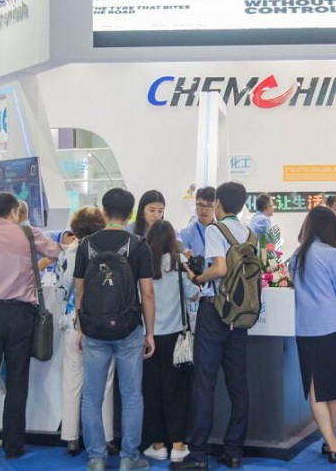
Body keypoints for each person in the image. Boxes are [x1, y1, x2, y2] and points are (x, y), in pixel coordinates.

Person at [0, 192, 62, 467]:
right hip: (20, 314)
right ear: (15, 211)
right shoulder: (27, 235)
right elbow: (56, 252)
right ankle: (13, 446)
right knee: (17, 380)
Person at [172, 181, 253, 471]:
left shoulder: (215, 230)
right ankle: (234, 451)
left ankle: (198, 455)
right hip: (240, 315)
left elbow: (220, 269)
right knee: (238, 383)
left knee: (204, 382)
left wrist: (197, 278)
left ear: (218, 203)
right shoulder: (250, 233)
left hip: (214, 310)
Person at [74, 187, 156, 471]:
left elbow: (80, 293)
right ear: (131, 214)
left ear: (104, 212)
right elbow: (147, 294)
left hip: (94, 330)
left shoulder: (86, 245)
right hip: (129, 329)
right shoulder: (139, 245)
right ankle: (129, 457)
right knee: (132, 395)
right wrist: (149, 332)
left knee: (92, 396)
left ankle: (96, 458)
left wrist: (81, 328)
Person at [290, 207, 336, 463]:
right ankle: (333, 442)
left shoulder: (296, 256)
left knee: (317, 388)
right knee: (331, 388)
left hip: (305, 328)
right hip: (331, 326)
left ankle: (333, 441)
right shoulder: (330, 254)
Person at [57, 207, 117, 457]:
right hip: (102, 320)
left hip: (73, 320)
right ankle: (107, 437)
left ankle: (71, 436)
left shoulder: (70, 252)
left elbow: (63, 286)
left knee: (73, 380)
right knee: (105, 382)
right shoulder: (107, 253)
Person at [142, 219, 199, 463]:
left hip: (149, 335)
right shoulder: (179, 262)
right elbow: (194, 293)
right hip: (176, 335)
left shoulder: (143, 263)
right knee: (177, 391)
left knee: (152, 391)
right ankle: (178, 445)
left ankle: (157, 445)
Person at [180, 187, 216, 259]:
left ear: (216, 207)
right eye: (200, 205)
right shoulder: (186, 233)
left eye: (209, 206)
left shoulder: (221, 232)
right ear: (195, 205)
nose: (204, 210)